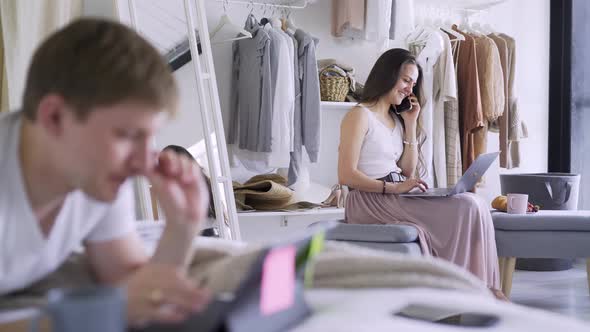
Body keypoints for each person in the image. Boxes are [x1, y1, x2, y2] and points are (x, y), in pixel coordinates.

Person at [0, 19, 212, 325]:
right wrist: (86, 318)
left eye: (149, 137)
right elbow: (114, 305)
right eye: (127, 135)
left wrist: (182, 229)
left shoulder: (93, 179)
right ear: (55, 117)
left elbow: (128, 285)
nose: (143, 163)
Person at [338, 48, 505, 299]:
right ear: (387, 75)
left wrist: (411, 124)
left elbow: (407, 170)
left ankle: (485, 288)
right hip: (368, 199)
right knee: (466, 207)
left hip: (395, 194)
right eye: (406, 80)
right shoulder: (359, 115)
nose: (409, 89)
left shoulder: (395, 119)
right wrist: (392, 188)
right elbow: (346, 175)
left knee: (475, 202)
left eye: (413, 84)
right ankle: (467, 290)